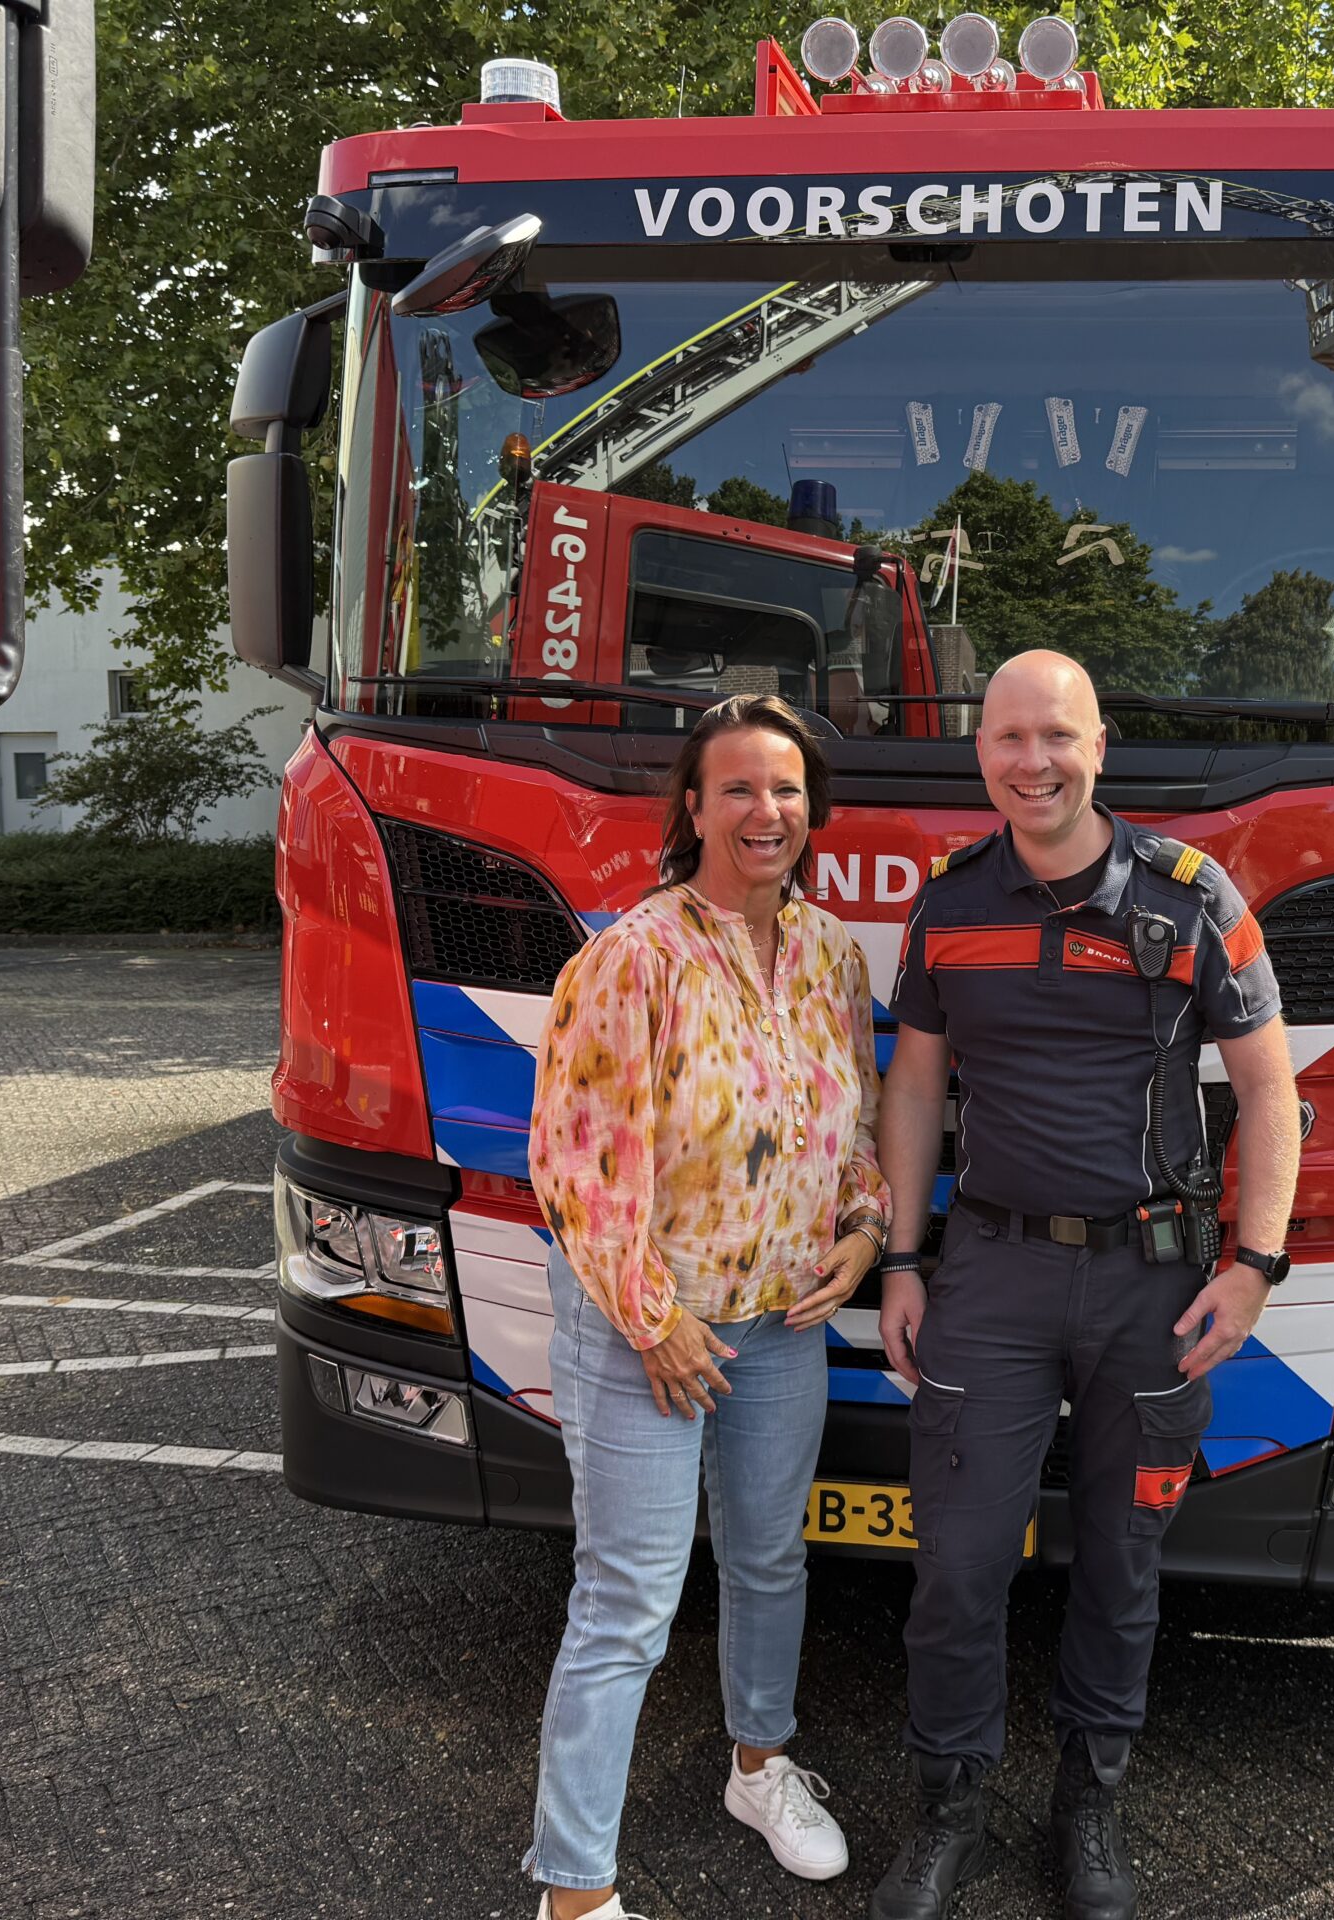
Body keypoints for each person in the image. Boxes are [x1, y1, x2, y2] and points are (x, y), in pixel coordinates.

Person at [868, 650, 1302, 1920]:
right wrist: (903, 1256)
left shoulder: (1191, 898)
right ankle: (950, 1801)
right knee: (953, 1562)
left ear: (1099, 745)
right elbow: (913, 1086)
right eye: (1007, 738)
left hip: (1154, 1285)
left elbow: (1270, 1091)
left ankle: (1089, 1799)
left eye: (1055, 736)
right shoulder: (946, 902)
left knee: (1122, 1560)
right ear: (981, 753)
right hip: (989, 1273)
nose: (1031, 762)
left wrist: (1255, 1267)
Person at [524, 693, 887, 1920]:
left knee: (769, 1559)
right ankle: (574, 1892)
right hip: (651, 1331)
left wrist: (864, 1226)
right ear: (692, 807)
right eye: (737, 788)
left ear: (811, 811)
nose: (764, 811)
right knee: (627, 1599)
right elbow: (575, 1157)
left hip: (783, 1321)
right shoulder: (637, 954)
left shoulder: (836, 954)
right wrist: (650, 1316)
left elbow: (855, 1123)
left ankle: (760, 1769)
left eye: (784, 790)